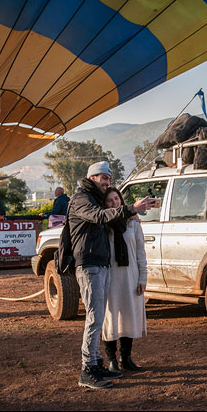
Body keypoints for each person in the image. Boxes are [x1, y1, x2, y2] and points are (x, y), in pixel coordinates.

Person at [67, 161, 154, 389]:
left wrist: (129, 215)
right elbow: (99, 216)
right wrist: (131, 209)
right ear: (93, 177)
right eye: (104, 178)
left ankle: (96, 365)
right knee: (96, 319)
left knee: (97, 318)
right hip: (89, 264)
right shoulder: (82, 199)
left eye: (109, 178)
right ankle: (88, 370)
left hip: (101, 265)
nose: (107, 182)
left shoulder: (95, 198)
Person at [102, 187, 148, 374]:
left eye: (117, 199)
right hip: (109, 276)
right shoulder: (102, 226)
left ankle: (126, 357)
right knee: (110, 317)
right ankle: (111, 359)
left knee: (129, 316)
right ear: (104, 205)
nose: (115, 203)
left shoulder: (133, 224)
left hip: (130, 275)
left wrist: (142, 277)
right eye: (110, 201)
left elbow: (140, 252)